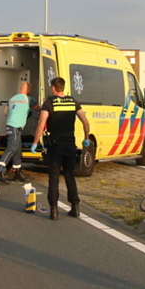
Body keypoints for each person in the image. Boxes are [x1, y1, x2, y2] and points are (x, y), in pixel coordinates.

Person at [31, 77, 92, 220]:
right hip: (70, 143)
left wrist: (35, 143)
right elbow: (85, 122)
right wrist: (86, 138)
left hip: (55, 145)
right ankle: (75, 207)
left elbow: (41, 124)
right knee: (70, 175)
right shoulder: (73, 101)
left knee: (54, 177)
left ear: (53, 87)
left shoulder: (49, 102)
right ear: (63, 87)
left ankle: (54, 210)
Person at [0, 81, 36, 182]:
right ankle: (1, 170)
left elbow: (5, 112)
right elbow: (39, 109)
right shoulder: (28, 99)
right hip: (15, 127)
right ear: (28, 89)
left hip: (11, 126)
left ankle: (17, 172)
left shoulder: (12, 98)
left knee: (18, 151)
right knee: (11, 149)